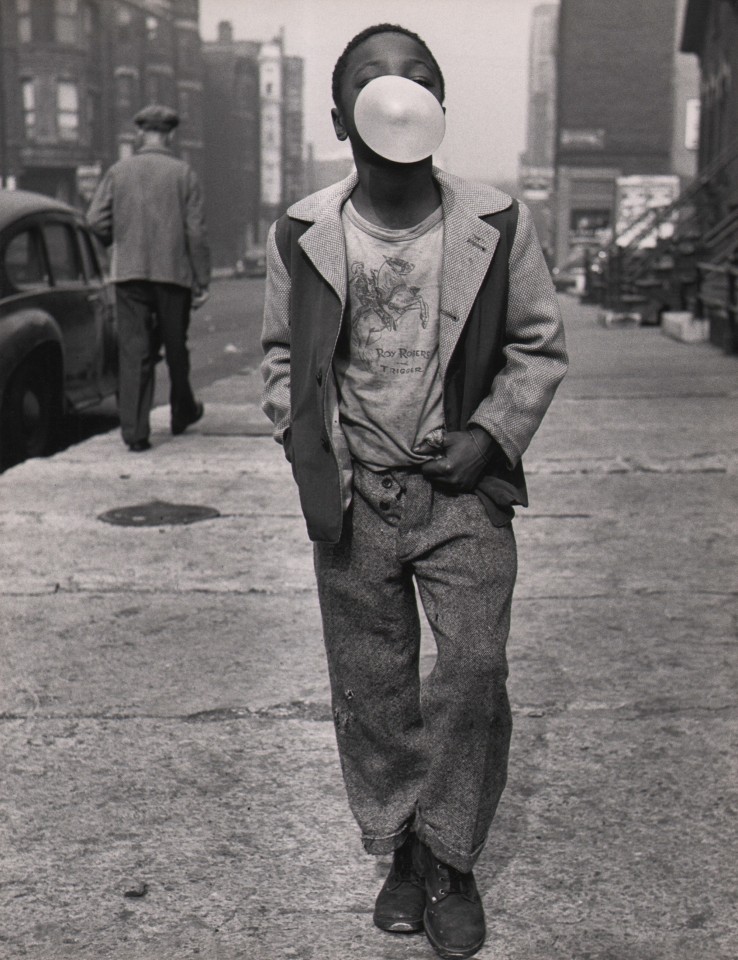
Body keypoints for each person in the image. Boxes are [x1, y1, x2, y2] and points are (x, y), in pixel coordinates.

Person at [261, 24, 568, 960]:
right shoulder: (305, 230)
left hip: (461, 497)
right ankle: (399, 847)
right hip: (358, 501)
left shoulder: (496, 222)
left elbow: (537, 346)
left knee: (472, 674)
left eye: (419, 78)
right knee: (374, 688)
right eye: (373, 80)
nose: (398, 92)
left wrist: (491, 435)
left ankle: (453, 855)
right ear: (341, 114)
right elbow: (282, 359)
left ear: (440, 106)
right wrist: (311, 442)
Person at [87, 103, 210, 452]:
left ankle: (136, 432)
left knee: (134, 351)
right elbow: (196, 232)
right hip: (173, 275)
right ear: (170, 135)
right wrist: (202, 280)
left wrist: (119, 242)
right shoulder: (184, 174)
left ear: (141, 134)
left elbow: (95, 221)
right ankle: (181, 412)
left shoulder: (118, 172)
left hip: (129, 275)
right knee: (175, 348)